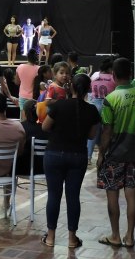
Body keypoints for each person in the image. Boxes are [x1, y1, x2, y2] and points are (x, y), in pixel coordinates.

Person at [96, 57, 135, 249]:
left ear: (113, 75)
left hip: (114, 155)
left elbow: (107, 131)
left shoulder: (110, 99)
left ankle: (115, 235)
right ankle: (130, 237)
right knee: (132, 196)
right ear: (131, 74)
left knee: (112, 195)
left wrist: (101, 154)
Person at [41, 74, 100, 248]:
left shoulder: (58, 105)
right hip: (77, 155)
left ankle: (50, 237)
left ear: (71, 87)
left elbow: (45, 126)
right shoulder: (91, 110)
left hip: (54, 154)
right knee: (73, 197)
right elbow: (91, 135)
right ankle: (72, 238)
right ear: (88, 89)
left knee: (54, 195)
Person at [87, 58, 116, 165]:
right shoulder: (113, 77)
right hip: (107, 105)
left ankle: (88, 157)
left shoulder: (94, 75)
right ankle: (104, 155)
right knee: (107, 132)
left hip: (94, 105)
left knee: (93, 133)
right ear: (110, 68)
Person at [16, 48, 39, 117]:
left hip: (22, 96)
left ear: (27, 57)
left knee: (23, 119)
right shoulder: (39, 69)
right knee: (34, 118)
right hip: (35, 97)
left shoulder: (19, 67)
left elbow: (17, 82)